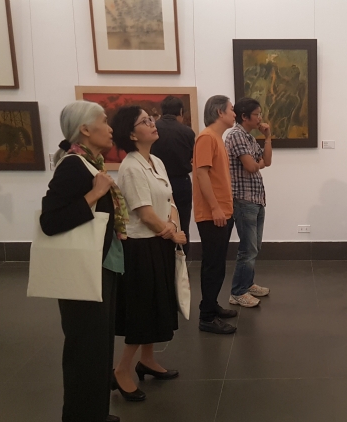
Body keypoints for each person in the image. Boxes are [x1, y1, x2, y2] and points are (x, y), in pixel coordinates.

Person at [40, 100, 127, 422]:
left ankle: (95, 413)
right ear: (85, 129)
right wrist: (94, 194)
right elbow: (50, 221)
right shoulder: (73, 166)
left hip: (99, 265)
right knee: (85, 349)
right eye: (104, 121)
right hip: (82, 270)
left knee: (99, 347)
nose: (110, 128)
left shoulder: (91, 163)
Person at [111, 105, 186, 401]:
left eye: (150, 119)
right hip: (141, 247)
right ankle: (121, 370)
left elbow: (169, 200)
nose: (152, 123)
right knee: (143, 310)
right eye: (144, 121)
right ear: (132, 134)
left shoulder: (156, 160)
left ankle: (148, 360)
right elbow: (144, 214)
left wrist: (173, 225)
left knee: (157, 306)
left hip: (160, 242)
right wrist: (171, 232)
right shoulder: (130, 167)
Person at [193, 95, 239, 334]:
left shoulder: (216, 139)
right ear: (220, 112)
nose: (234, 113)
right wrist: (214, 207)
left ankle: (210, 305)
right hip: (213, 214)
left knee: (218, 264)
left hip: (222, 211)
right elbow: (201, 174)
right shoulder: (206, 137)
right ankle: (207, 317)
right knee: (213, 265)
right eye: (231, 109)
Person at [224, 97, 273, 308]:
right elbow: (251, 167)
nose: (260, 118)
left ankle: (247, 283)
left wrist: (268, 138)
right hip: (243, 199)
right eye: (257, 114)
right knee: (248, 248)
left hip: (256, 197)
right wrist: (256, 163)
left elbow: (266, 162)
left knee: (254, 246)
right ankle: (237, 292)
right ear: (244, 116)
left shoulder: (250, 138)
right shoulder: (236, 135)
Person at [151, 96, 195, 256]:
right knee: (182, 224)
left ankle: (162, 260)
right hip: (181, 182)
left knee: (158, 223)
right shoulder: (187, 132)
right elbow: (191, 158)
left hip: (156, 181)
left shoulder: (153, 129)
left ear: (162, 111)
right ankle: (182, 260)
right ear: (181, 112)